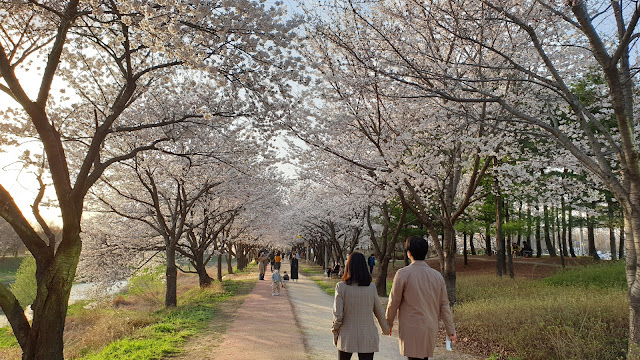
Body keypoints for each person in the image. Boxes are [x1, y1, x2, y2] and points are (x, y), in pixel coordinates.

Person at [386, 236, 456, 360]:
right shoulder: (437, 276)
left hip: (410, 327)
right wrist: (450, 330)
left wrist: (388, 324)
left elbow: (393, 302)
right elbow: (444, 305)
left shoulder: (402, 274)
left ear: (409, 253)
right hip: (429, 327)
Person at [332, 252, 389, 360]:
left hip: (346, 335)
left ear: (348, 267)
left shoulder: (341, 287)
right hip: (367, 335)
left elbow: (338, 316)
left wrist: (335, 332)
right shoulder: (371, 287)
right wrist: (386, 328)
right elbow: (379, 311)